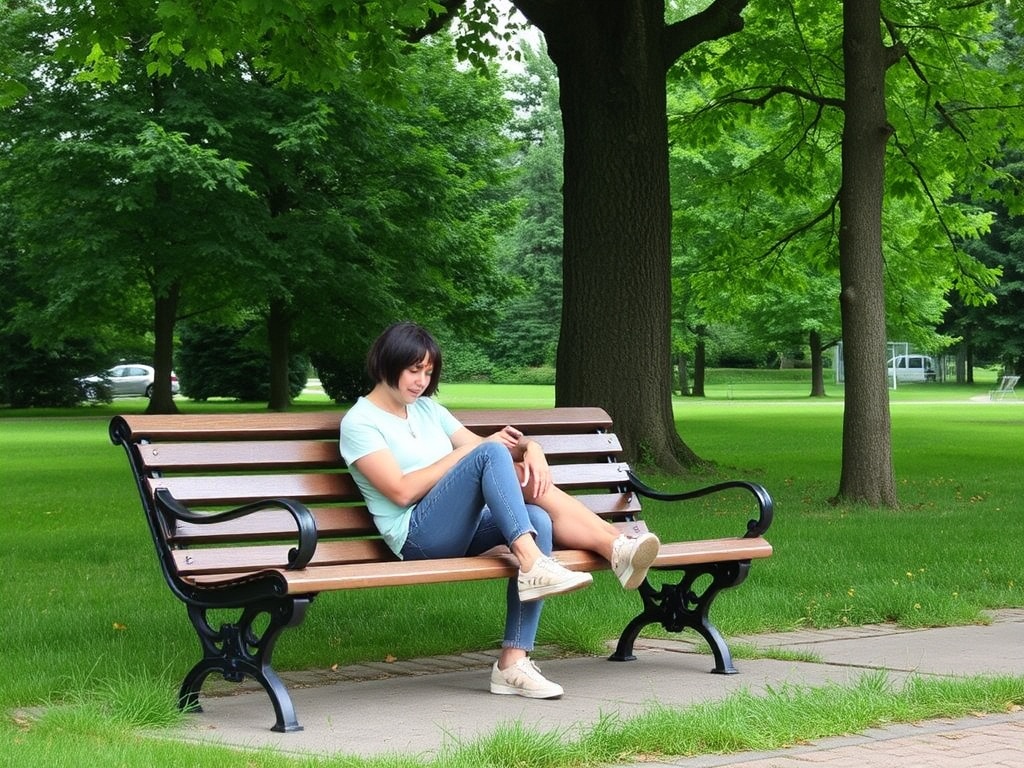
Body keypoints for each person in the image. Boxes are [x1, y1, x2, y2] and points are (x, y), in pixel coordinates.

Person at [339, 322, 660, 699]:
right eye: (414, 370)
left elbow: (490, 453)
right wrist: (472, 452)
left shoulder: (427, 410)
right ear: (386, 363)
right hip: (417, 536)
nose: (421, 381)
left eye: (428, 372)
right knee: (489, 455)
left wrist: (531, 448)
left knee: (537, 518)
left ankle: (513, 662)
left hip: (459, 528)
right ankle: (551, 558)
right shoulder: (360, 422)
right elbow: (401, 491)